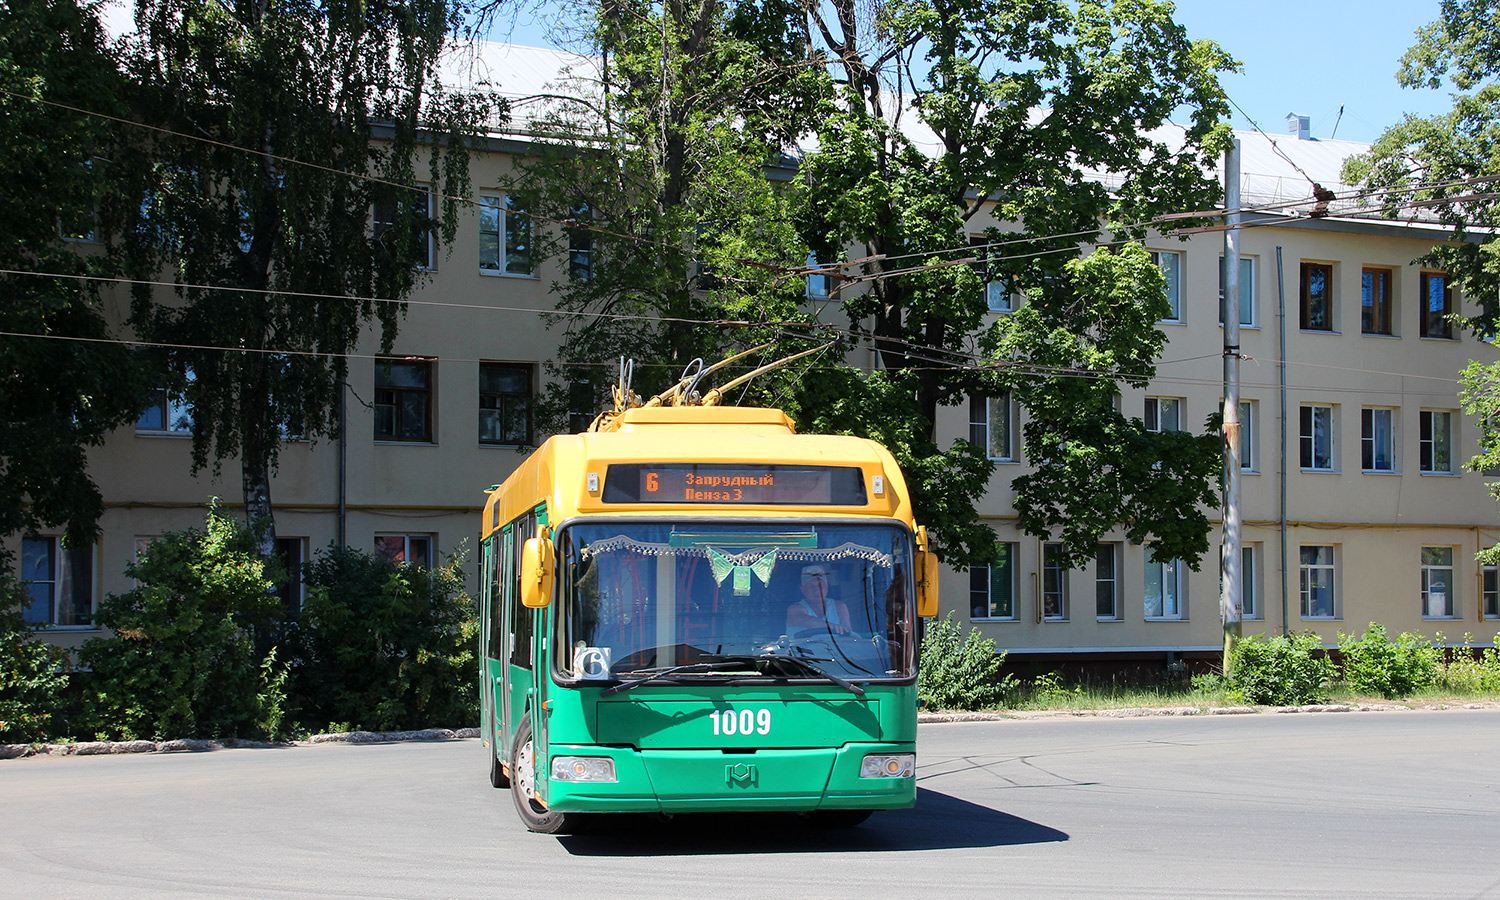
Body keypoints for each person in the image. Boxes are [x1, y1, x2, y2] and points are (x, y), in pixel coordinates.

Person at [786, 564, 853, 636]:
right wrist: (832, 627)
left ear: (827, 588)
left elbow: (848, 634)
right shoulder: (794, 609)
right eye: (811, 586)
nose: (817, 590)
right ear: (803, 590)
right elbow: (810, 622)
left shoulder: (840, 607)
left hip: (835, 644)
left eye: (820, 585)